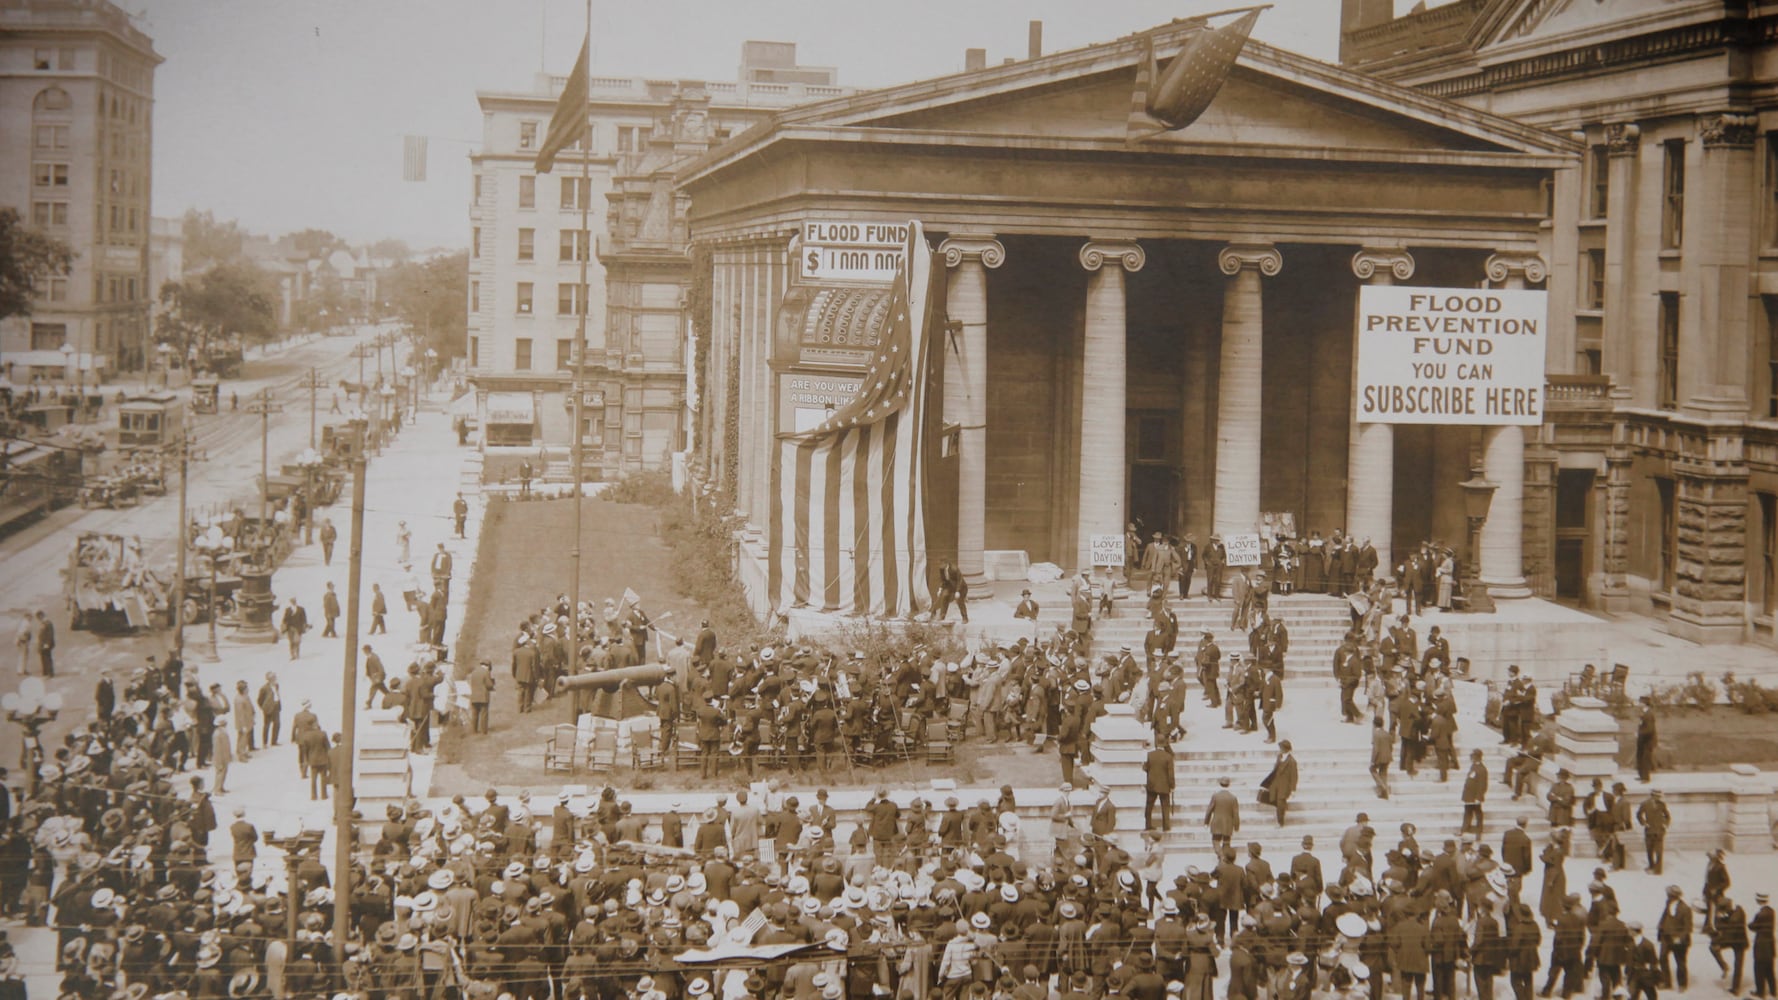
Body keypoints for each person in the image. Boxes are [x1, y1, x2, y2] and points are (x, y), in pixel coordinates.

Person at [1656, 885, 1693, 992]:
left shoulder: (1685, 909)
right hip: (1666, 937)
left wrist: (1680, 938)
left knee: (1680, 962)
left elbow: (1688, 927)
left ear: (1674, 896)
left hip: (1679, 941)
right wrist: (1660, 926)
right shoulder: (1668, 903)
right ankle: (1667, 982)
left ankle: (1682, 984)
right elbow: (1665, 916)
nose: (1668, 896)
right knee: (1662, 958)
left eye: (1669, 895)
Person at [1262, 739, 1297, 826]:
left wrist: (1293, 789)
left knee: (1280, 803)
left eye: (1281, 748)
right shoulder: (1279, 757)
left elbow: (1294, 776)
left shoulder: (1292, 761)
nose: (1280, 749)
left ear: (1285, 749)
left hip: (1284, 786)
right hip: (1276, 783)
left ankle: (1280, 822)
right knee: (1275, 801)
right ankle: (1282, 812)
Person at [1144, 738, 1175, 832]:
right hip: (1164, 785)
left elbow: (1145, 768)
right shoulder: (1168, 757)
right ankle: (1166, 826)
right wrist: (1172, 786)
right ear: (1165, 744)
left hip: (1151, 785)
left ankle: (1148, 825)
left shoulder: (1149, 755)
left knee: (1149, 807)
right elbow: (1171, 774)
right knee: (1165, 806)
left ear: (1156, 744)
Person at [1636, 790, 1670, 875]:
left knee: (1659, 851)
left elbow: (1667, 816)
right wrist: (1644, 823)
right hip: (1649, 831)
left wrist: (1665, 824)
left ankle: (1658, 870)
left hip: (1659, 831)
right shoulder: (1644, 804)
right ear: (1652, 795)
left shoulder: (1662, 804)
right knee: (1649, 850)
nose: (1658, 798)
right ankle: (1651, 866)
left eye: (1659, 796)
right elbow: (1639, 814)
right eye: (1657, 796)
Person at [1204, 775, 1239, 853]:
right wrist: (1236, 826)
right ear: (1229, 784)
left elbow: (1209, 810)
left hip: (1217, 823)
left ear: (1220, 784)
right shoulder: (1233, 798)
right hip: (1228, 824)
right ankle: (1225, 857)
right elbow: (1236, 814)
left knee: (1215, 841)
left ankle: (1220, 856)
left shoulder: (1215, 796)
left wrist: (1206, 822)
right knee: (1226, 843)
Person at [1753, 892, 1775, 1000]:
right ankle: (1773, 991)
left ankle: (1760, 992)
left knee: (1759, 970)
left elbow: (1753, 926)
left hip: (1761, 945)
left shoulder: (1760, 914)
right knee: (1770, 970)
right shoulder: (1771, 911)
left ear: (1758, 900)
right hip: (1770, 944)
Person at [1461, 749, 1488, 835]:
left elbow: (1482, 785)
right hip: (1469, 795)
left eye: (1473, 756)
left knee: (1477, 812)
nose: (1471, 758)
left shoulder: (1482, 769)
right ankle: (1465, 829)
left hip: (1474, 796)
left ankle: (1479, 829)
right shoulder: (1474, 766)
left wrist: (1478, 797)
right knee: (1468, 812)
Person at [257, 671, 284, 747]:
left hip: (276, 707)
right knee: (267, 726)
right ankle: (265, 743)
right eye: (273, 678)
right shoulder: (264, 688)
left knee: (277, 724)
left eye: (275, 677)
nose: (275, 679)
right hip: (268, 709)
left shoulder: (276, 685)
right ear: (269, 679)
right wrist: (264, 708)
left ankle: (274, 741)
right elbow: (259, 700)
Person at [1635, 699, 1659, 783]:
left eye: (1640, 702)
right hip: (1643, 740)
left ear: (1645, 704)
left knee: (1646, 759)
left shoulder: (1649, 714)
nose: (1638, 704)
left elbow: (1649, 729)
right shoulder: (1644, 713)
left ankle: (1646, 778)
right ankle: (1642, 775)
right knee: (1640, 757)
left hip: (1648, 741)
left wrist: (1639, 734)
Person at [467, 659, 494, 734]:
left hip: (474, 696)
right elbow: (489, 685)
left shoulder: (474, 672)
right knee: (484, 714)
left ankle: (474, 731)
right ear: (487, 666)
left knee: (475, 714)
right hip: (483, 697)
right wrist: (492, 685)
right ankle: (483, 731)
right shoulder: (486, 672)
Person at [33, 610, 53, 677]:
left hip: (46, 644)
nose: (38, 619)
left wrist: (47, 643)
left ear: (41, 616)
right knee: (43, 658)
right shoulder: (43, 623)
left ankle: (50, 673)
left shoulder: (47, 623)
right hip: (42, 644)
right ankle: (45, 672)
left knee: (47, 658)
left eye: (38, 618)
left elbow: (50, 634)